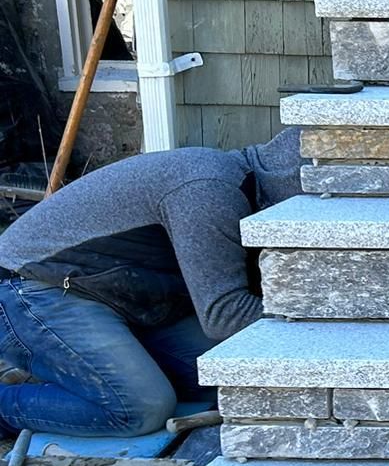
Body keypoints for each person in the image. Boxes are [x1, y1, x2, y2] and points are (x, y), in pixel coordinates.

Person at [0, 129, 302, 437]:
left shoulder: (238, 182)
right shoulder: (209, 190)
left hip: (110, 293)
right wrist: (327, 328)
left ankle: (71, 375)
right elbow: (224, 315)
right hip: (33, 289)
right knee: (141, 408)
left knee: (222, 375)